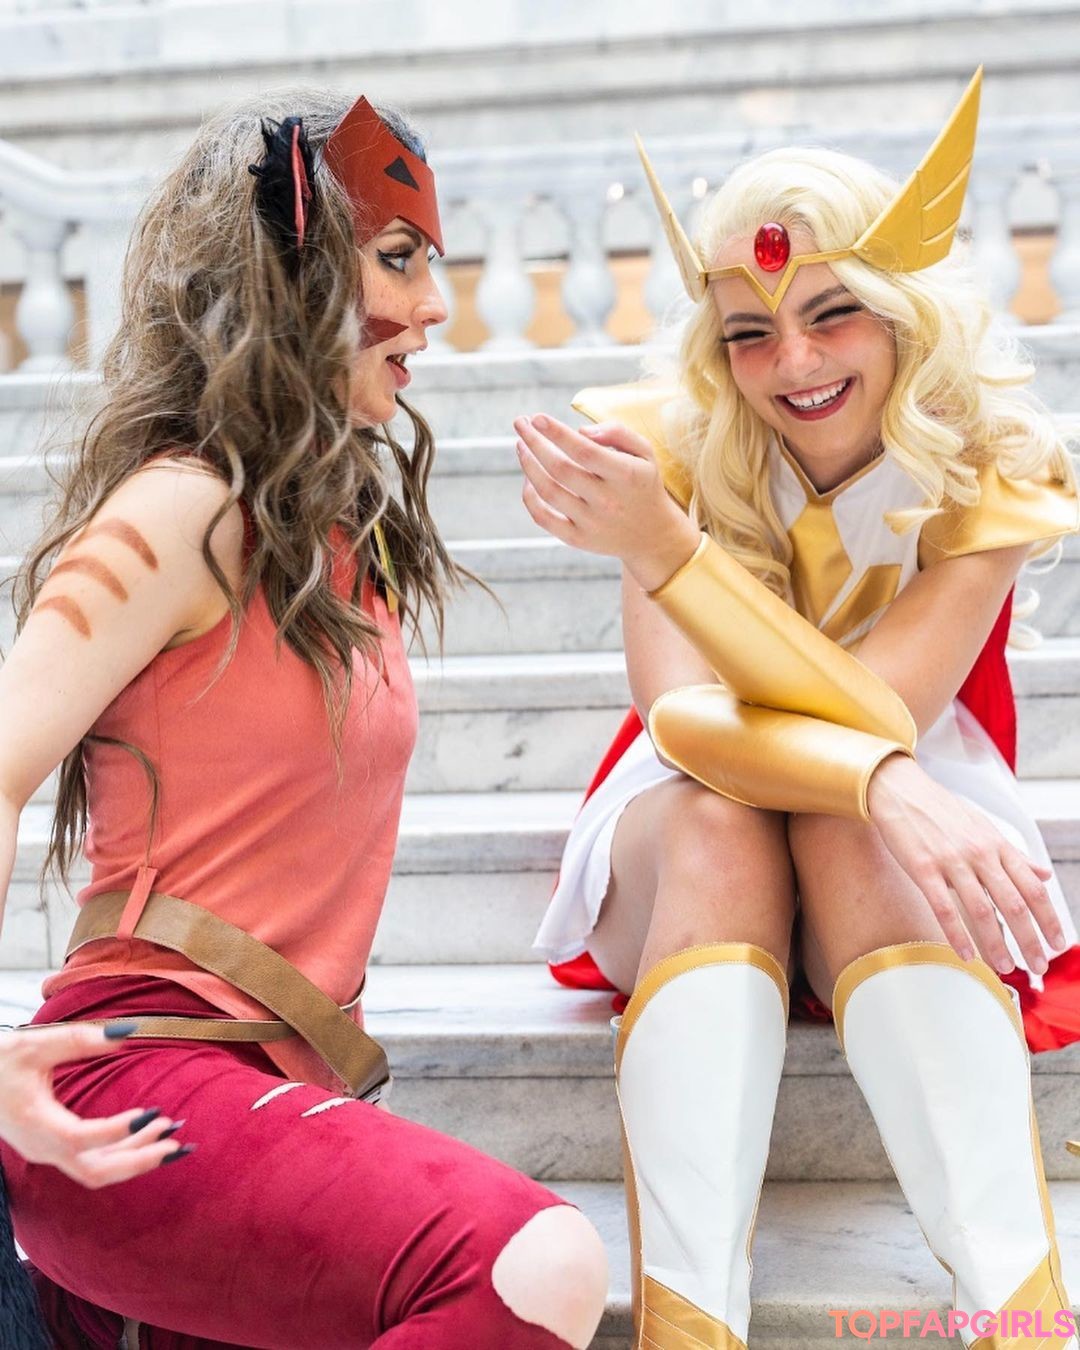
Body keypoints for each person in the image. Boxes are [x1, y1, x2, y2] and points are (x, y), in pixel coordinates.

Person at [0, 90, 607, 1349]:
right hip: (137, 1085)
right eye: (400, 259)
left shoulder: (335, 537)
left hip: (275, 1098)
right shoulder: (183, 508)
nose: (435, 307)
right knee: (536, 1265)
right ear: (292, 275)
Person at [515, 70, 1080, 1348]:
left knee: (841, 826)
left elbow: (886, 709)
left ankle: (1019, 1321)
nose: (795, 362)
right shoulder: (665, 450)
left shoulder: (993, 461)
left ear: (902, 311)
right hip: (702, 818)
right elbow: (680, 721)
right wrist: (883, 778)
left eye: (833, 314)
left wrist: (879, 779)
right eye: (749, 333)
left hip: (904, 817)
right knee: (727, 823)